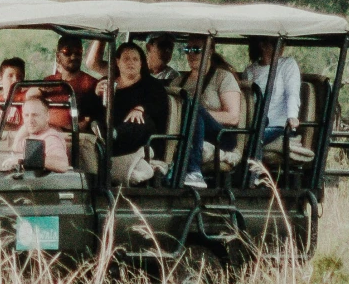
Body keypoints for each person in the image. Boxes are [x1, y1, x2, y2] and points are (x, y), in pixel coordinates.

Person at [176, 40, 245, 189]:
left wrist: (200, 112)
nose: (191, 54)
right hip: (184, 131)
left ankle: (194, 171)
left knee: (194, 109)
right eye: (187, 49)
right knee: (192, 111)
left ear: (210, 51)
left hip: (221, 136)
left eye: (196, 49)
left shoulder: (223, 77)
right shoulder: (179, 81)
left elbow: (233, 117)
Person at [104, 41, 171, 184]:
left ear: (141, 63)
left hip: (144, 137)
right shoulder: (108, 83)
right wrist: (97, 93)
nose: (131, 63)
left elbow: (159, 106)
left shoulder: (153, 85)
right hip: (111, 133)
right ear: (117, 62)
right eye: (126, 59)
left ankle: (113, 135)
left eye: (135, 59)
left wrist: (141, 108)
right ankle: (107, 135)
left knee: (140, 119)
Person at [243, 38, 303, 181]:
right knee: (248, 134)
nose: (282, 47)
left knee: (257, 137)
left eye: (283, 43)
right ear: (262, 44)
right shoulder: (250, 71)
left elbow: (292, 93)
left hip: (278, 125)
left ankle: (253, 177)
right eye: (276, 43)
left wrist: (292, 115)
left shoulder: (287, 65)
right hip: (255, 122)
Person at [0, 86, 70, 174]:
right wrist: (28, 122)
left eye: (35, 115)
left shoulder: (50, 138)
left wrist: (24, 160)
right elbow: (16, 146)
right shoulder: (33, 136)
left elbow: (62, 165)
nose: (30, 120)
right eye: (26, 115)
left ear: (47, 116)